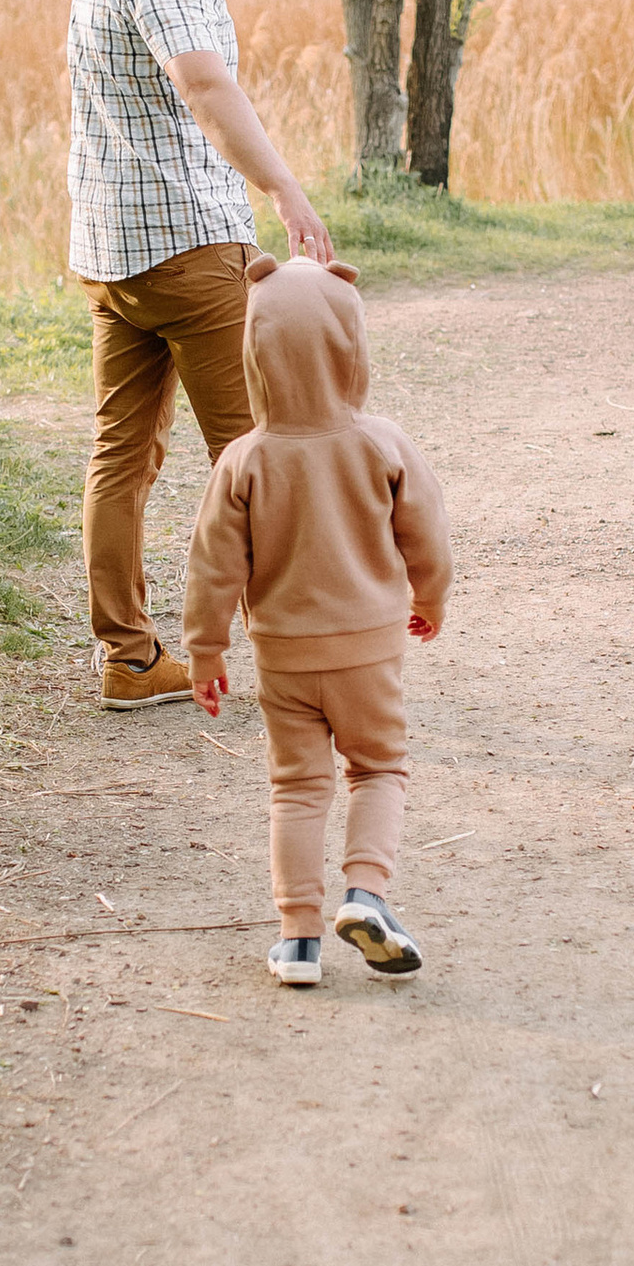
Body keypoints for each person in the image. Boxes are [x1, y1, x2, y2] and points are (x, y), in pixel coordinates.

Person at [67, 0, 333, 708]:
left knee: (122, 455)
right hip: (183, 248)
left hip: (112, 249)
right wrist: (284, 189)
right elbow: (206, 89)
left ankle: (131, 660)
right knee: (254, 451)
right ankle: (302, 658)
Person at [183, 256, 451, 988]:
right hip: (369, 651)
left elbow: (213, 568)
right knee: (377, 768)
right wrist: (430, 600)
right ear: (350, 344)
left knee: (297, 787)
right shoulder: (383, 444)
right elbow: (427, 534)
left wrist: (205, 653)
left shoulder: (244, 460)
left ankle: (297, 938)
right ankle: (365, 895)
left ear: (254, 352)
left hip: (284, 658)